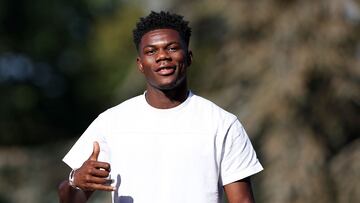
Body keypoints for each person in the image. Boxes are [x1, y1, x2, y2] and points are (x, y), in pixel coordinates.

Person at [58, 11, 263, 203]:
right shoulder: (111, 123)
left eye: (172, 48)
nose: (162, 56)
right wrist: (75, 180)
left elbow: (242, 200)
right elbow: (72, 198)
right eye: (151, 51)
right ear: (140, 64)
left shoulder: (223, 124)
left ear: (189, 57)